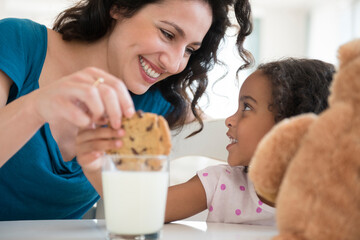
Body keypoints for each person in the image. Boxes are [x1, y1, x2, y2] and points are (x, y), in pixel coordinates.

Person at [0, 0, 253, 220]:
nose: (175, 64)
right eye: (167, 33)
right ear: (119, 6)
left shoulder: (157, 103)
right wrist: (37, 106)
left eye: (189, 50)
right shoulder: (18, 42)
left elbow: (226, 132)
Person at [164, 58, 335, 225]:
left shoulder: (336, 200)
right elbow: (143, 210)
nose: (229, 120)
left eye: (246, 107)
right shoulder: (221, 183)